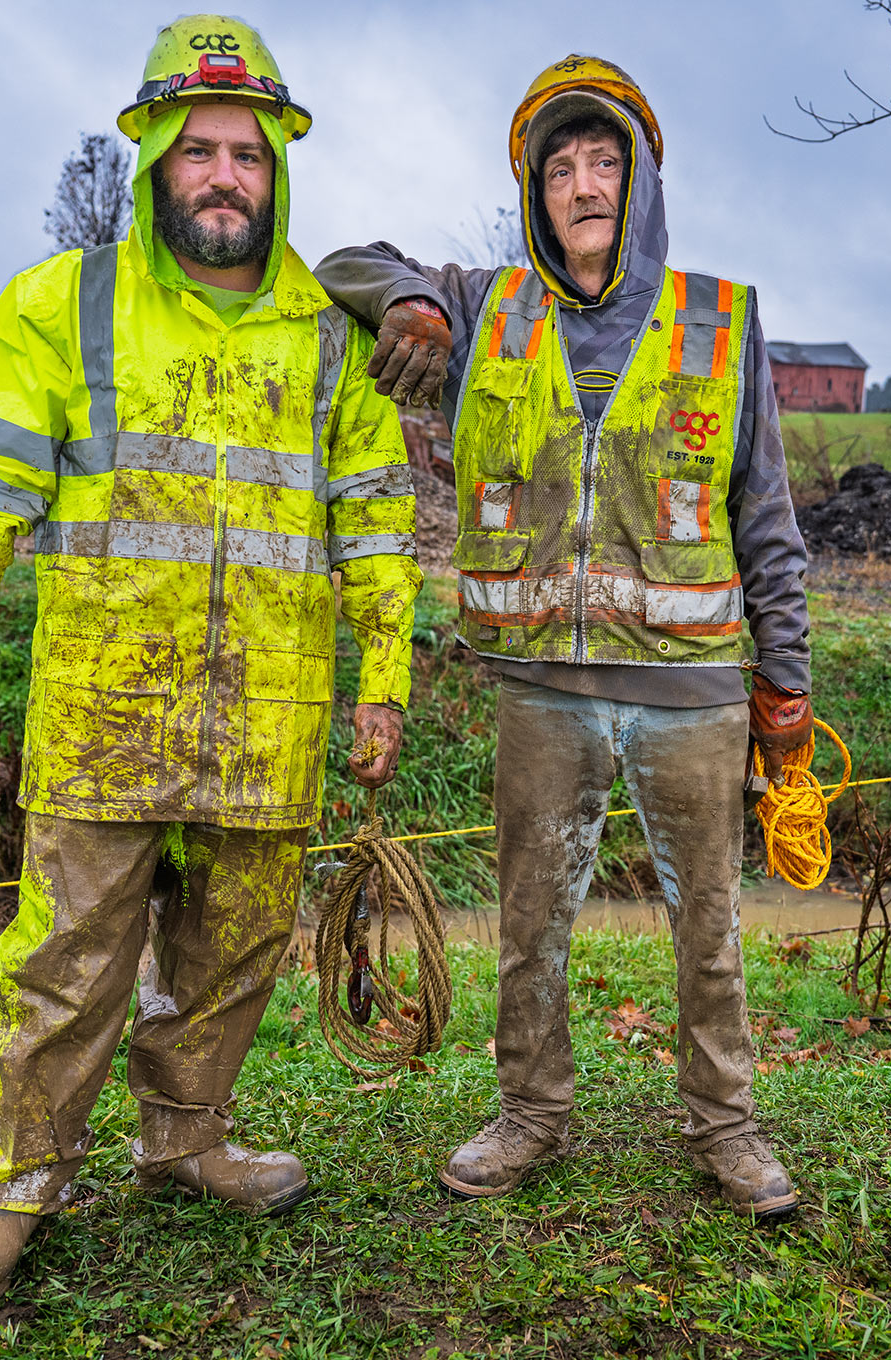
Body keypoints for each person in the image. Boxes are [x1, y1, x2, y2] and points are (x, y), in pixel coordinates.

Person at [0, 14, 420, 1317]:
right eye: (198, 150)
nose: (223, 175)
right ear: (149, 156)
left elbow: (373, 512)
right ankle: (5, 1189)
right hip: (105, 707)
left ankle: (184, 1140)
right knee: (67, 955)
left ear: (278, 170)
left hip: (273, 713)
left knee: (236, 951)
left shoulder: (325, 333)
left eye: (246, 154)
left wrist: (384, 671)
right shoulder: (61, 307)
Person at [315, 55, 813, 1222]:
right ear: (536, 195)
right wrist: (413, 302)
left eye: (605, 161)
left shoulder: (721, 320)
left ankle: (727, 1129)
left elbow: (771, 526)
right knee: (531, 922)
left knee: (711, 931)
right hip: (540, 685)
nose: (584, 184)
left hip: (693, 689)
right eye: (560, 168)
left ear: (641, 182)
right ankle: (531, 1111)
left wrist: (786, 697)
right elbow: (340, 263)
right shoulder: (487, 306)